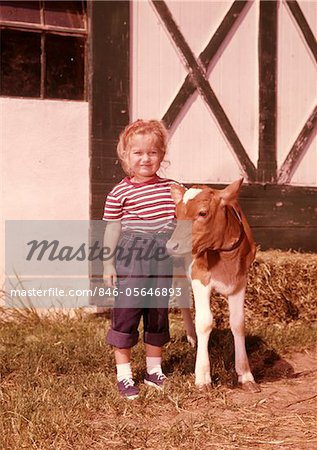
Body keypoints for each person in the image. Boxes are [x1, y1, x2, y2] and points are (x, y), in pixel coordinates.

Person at [103, 119, 179, 399]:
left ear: (162, 155)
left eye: (152, 152)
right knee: (128, 310)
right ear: (125, 156)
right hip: (132, 256)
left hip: (162, 256)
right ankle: (124, 376)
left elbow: (184, 220)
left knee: (157, 311)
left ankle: (153, 370)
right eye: (138, 153)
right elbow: (112, 228)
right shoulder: (119, 192)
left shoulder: (173, 188)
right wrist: (108, 263)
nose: (146, 158)